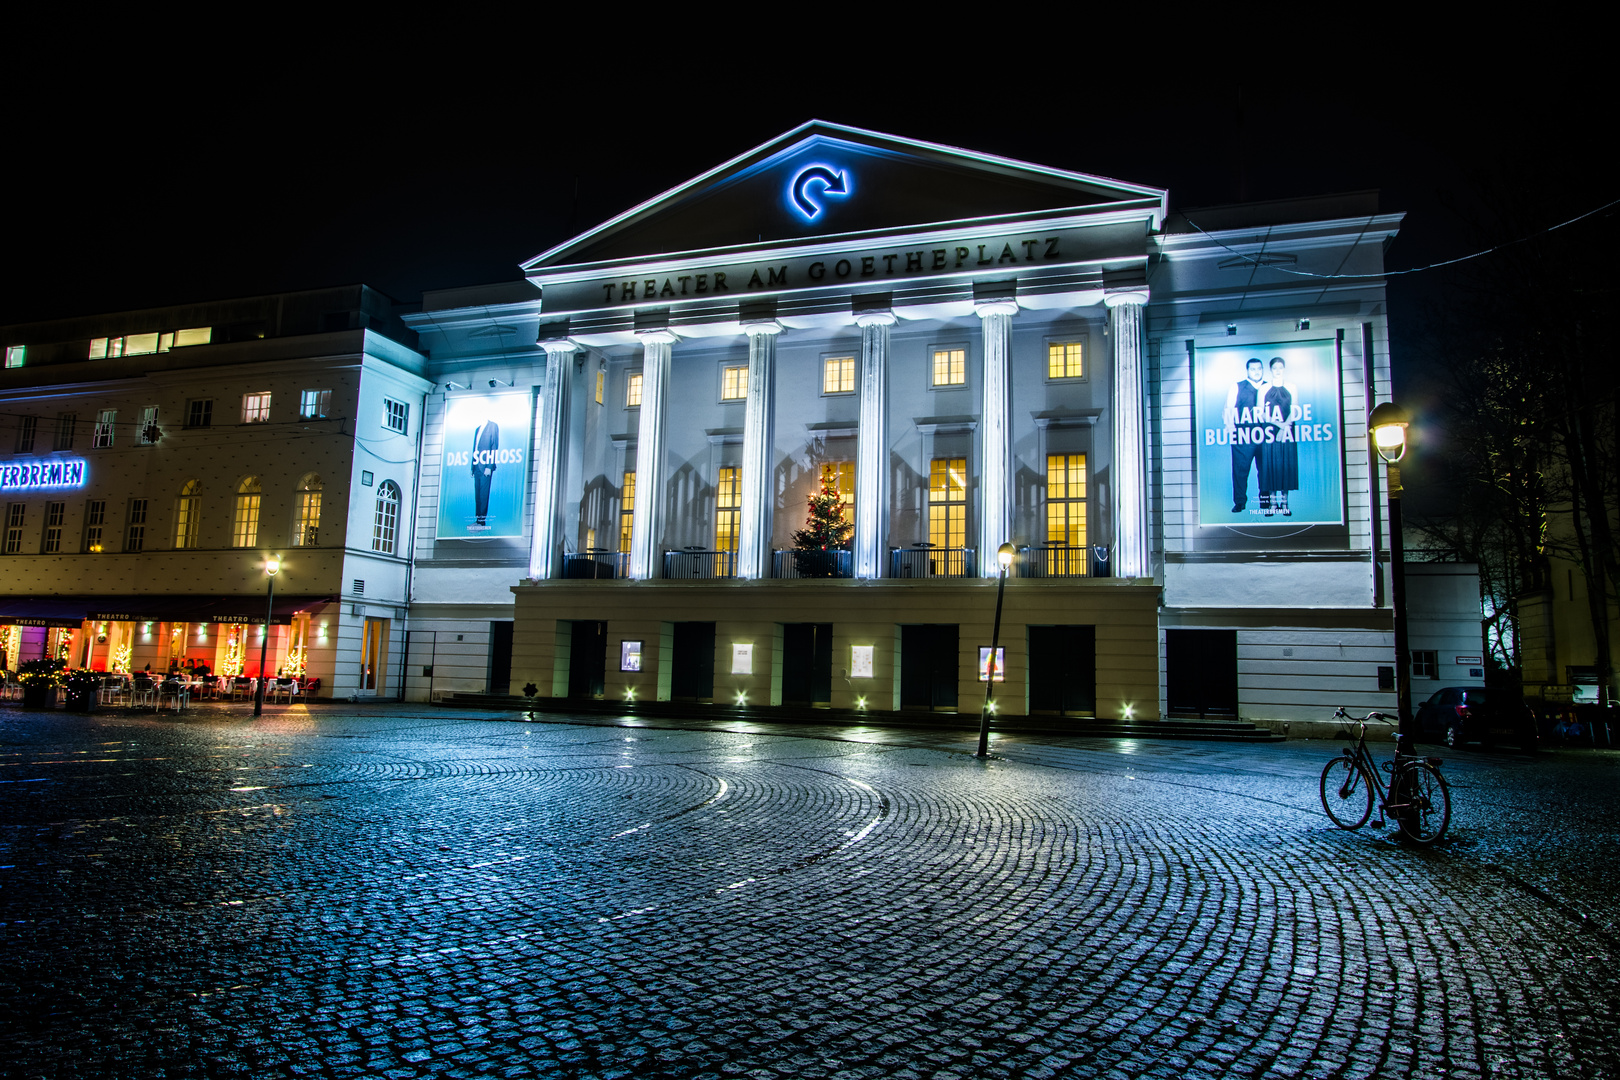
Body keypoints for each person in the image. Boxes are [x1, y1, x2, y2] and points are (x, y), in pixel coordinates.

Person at [1223, 358, 1269, 513]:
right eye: (1253, 369)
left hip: (1265, 436)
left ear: (1263, 370)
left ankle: (1265, 503)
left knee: (1266, 470)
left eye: (1259, 369)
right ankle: (1240, 502)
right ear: (1247, 370)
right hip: (1243, 435)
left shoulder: (1269, 387)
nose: (1256, 372)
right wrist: (1231, 430)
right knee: (1240, 469)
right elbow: (1228, 409)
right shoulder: (1237, 387)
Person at [1259, 357, 1301, 516]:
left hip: (1288, 430)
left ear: (1284, 369)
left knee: (1285, 466)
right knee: (1270, 466)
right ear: (1271, 369)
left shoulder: (1292, 387)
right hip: (1270, 430)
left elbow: (1295, 410)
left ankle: (1284, 503)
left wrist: (1285, 427)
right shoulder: (1264, 389)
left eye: (1280, 367)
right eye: (1275, 368)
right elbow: (1260, 411)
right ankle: (1272, 503)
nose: (1277, 370)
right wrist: (1279, 425)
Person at [470, 418, 500, 530]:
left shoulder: (492, 426)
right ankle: (478, 520)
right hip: (477, 465)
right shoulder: (477, 428)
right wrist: (472, 467)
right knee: (477, 495)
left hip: (485, 466)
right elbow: (475, 448)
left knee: (483, 494)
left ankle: (482, 522)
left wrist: (489, 466)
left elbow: (494, 446)